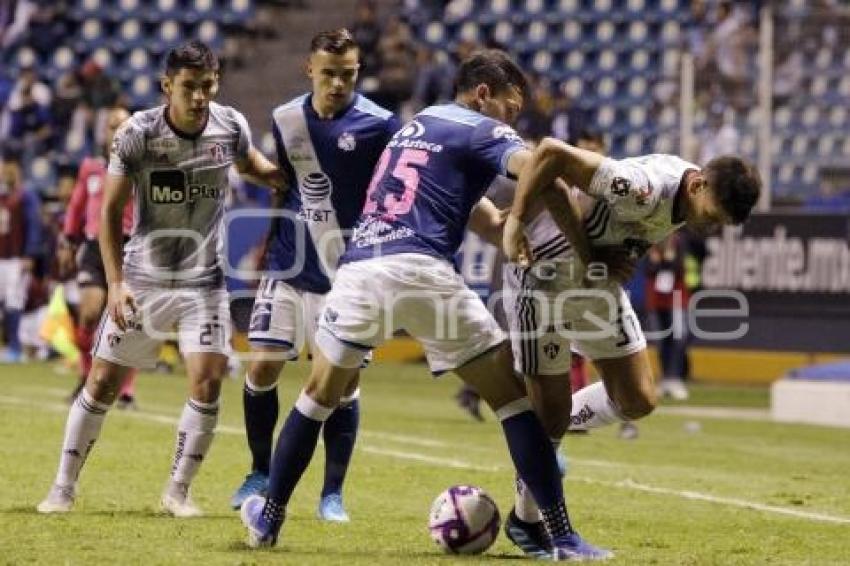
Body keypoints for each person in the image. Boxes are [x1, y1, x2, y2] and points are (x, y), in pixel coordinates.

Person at [240, 49, 612, 561]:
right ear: (483, 94)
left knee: (316, 396)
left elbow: (469, 210)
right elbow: (541, 170)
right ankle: (562, 535)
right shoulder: (482, 129)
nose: (513, 120)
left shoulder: (418, 125)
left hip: (360, 268)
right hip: (421, 270)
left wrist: (507, 228)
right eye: (511, 106)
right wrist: (580, 244)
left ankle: (269, 518)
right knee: (513, 403)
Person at [36, 40, 286, 517]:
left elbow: (249, 165)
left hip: (204, 281)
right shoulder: (137, 133)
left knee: (208, 382)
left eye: (207, 86)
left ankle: (177, 491)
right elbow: (109, 212)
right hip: (144, 278)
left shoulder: (230, 125)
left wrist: (282, 179)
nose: (198, 97)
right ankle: (63, 487)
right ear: (167, 85)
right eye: (189, 87)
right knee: (103, 383)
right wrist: (115, 283)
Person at [502, 137, 761, 553]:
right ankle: (531, 522)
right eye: (712, 217)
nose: (709, 228)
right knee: (549, 420)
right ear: (697, 186)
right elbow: (549, 153)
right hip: (542, 280)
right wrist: (517, 222)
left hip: (595, 286)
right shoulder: (639, 187)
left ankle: (544, 433)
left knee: (638, 399)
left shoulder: (692, 190)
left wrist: (607, 255)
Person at [230, 29, 401, 522]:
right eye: (328, 74)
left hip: (346, 274)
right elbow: (285, 186)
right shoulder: (286, 119)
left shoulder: (380, 125)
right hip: (287, 263)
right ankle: (260, 471)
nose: (337, 84)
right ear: (310, 70)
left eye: (347, 75)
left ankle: (332, 494)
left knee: (339, 387)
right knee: (260, 368)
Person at [59, 106, 139, 407]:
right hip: (94, 246)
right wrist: (68, 239)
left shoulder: (141, 167)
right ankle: (86, 374)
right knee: (89, 313)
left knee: (125, 322)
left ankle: (126, 390)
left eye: (122, 125)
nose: (116, 131)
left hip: (130, 246)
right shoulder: (90, 168)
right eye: (111, 126)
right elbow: (77, 207)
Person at [0, 149, 41, 363]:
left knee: (14, 301)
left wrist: (30, 253)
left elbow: (34, 225)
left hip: (16, 258)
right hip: (1, 256)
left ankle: (15, 347)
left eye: (11, 168)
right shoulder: (3, 196)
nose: (7, 172)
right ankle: (8, 345)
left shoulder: (26, 195)